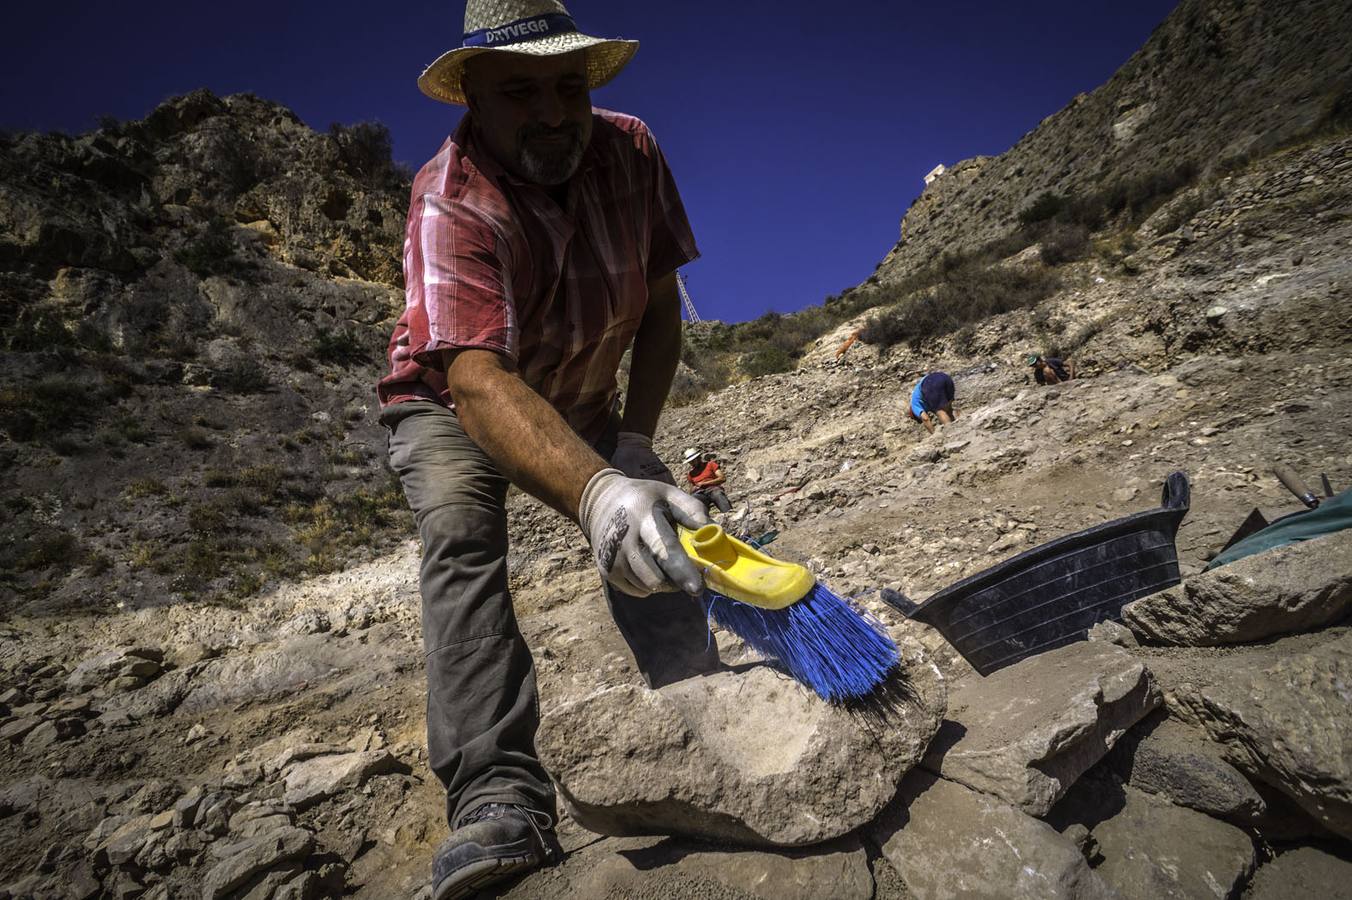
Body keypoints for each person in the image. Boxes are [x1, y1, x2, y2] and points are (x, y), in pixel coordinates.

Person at [374, 3, 719, 897]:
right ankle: (498, 800)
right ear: (474, 99)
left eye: (569, 87)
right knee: (460, 541)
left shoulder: (631, 150)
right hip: (454, 402)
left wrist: (633, 449)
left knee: (650, 521)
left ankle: (699, 700)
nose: (555, 113)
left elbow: (659, 309)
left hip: (585, 389)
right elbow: (479, 382)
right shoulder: (450, 197)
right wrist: (595, 492)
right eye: (521, 92)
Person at [684, 447, 732, 513]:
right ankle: (702, 521)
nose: (692, 463)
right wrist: (693, 489)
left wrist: (705, 483)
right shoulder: (691, 474)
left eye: (693, 461)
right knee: (693, 499)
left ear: (698, 458)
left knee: (717, 494)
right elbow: (691, 489)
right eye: (690, 462)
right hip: (700, 493)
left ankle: (728, 514)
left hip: (713, 489)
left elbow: (722, 478)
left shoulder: (710, 464)